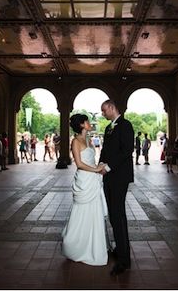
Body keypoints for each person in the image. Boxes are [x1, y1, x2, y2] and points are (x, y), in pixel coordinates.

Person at [62, 114, 109, 266]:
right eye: (87, 121)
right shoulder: (75, 141)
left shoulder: (89, 140)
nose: (90, 123)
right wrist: (96, 170)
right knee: (82, 211)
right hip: (84, 179)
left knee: (94, 212)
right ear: (82, 125)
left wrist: (100, 165)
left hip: (93, 180)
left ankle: (94, 245)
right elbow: (79, 164)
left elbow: (91, 159)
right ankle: (76, 245)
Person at [98, 99, 134, 276]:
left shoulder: (125, 125)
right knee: (113, 214)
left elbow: (127, 150)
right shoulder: (108, 128)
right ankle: (120, 250)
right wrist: (100, 166)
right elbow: (106, 150)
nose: (103, 114)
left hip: (120, 177)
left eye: (104, 110)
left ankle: (124, 260)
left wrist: (109, 167)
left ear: (112, 107)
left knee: (118, 215)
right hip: (108, 177)